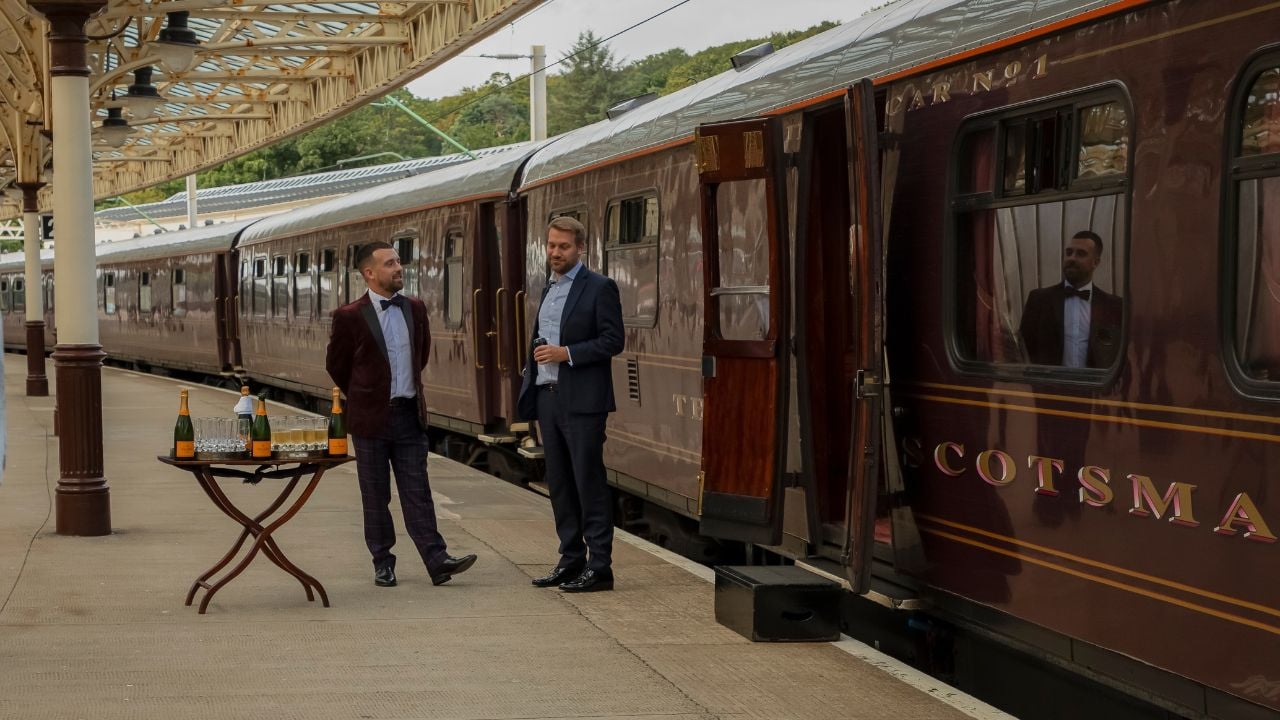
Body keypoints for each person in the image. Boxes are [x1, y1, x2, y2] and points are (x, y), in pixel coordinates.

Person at [325, 240, 476, 588]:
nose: (398, 268)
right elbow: (337, 365)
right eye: (390, 263)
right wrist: (364, 394)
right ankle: (382, 561)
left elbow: (419, 356)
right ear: (370, 273)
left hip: (408, 415)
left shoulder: (416, 308)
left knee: (417, 491)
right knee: (375, 494)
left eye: (398, 262)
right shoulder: (348, 316)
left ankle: (437, 560)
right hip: (370, 420)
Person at [517, 217, 624, 593]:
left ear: (580, 248)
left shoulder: (599, 288)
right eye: (550, 246)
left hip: (582, 402)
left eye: (563, 247)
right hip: (548, 398)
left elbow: (613, 340)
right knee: (560, 484)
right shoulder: (547, 288)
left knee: (587, 481)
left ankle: (600, 567)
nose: (555, 253)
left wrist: (567, 353)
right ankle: (570, 559)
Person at [1019, 230, 1123, 369]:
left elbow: (1115, 353)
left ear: (1096, 262)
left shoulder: (1113, 305)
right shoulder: (1039, 300)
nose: (1072, 258)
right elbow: (1024, 346)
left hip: (1095, 388)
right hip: (1048, 388)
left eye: (1081, 254)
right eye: (1069, 252)